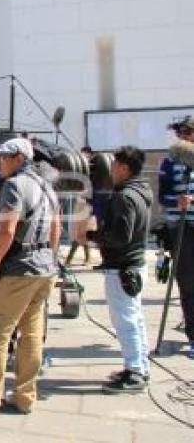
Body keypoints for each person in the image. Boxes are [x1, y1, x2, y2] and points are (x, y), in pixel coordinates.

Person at [0, 137, 61, 414]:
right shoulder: (46, 185)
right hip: (44, 267)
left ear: (19, 158)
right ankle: (25, 396)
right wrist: (51, 259)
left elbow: (7, 231)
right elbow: (56, 228)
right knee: (31, 333)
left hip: (19, 268)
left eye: (3, 157)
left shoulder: (15, 186)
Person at [90, 146, 152, 392]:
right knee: (134, 319)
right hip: (133, 266)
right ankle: (139, 367)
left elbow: (120, 236)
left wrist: (94, 236)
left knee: (126, 322)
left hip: (124, 268)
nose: (112, 169)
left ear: (125, 168)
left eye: (115, 165)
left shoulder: (125, 196)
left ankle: (135, 372)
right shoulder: (141, 191)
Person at [159, 116, 194, 359]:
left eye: (189, 132)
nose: (185, 137)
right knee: (188, 281)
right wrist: (177, 201)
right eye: (182, 133)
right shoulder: (169, 161)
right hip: (180, 228)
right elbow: (163, 195)